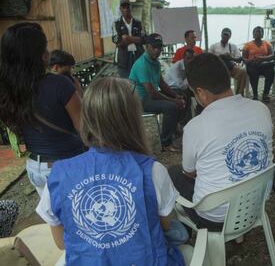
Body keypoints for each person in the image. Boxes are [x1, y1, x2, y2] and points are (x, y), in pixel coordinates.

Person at [35, 78, 185, 265]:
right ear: (133, 120)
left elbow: (61, 242)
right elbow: (163, 225)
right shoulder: (153, 170)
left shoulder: (59, 174)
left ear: (87, 118)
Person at [168, 53, 273, 230]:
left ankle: (187, 236)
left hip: (214, 218)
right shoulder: (261, 109)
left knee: (175, 173)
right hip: (256, 204)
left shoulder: (196, 126)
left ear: (200, 92)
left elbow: (190, 173)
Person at [0, 23, 84, 196]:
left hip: (34, 168)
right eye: (45, 47)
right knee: (76, 218)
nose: (48, 52)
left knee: (54, 219)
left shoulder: (7, 90)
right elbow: (85, 128)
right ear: (39, 55)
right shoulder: (59, 84)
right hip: (64, 166)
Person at [129, 33, 186, 152]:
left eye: (159, 47)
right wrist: (173, 100)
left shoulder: (155, 62)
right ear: (147, 46)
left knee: (182, 96)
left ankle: (175, 130)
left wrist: (176, 95)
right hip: (139, 100)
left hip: (150, 96)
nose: (157, 50)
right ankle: (166, 142)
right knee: (171, 106)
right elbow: (152, 93)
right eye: (154, 47)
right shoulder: (142, 64)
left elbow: (162, 84)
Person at [112, 0, 145, 78]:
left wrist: (127, 38)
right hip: (123, 58)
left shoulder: (139, 22)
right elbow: (117, 41)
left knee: (139, 80)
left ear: (131, 7)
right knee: (125, 82)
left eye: (128, 7)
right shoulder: (116, 23)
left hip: (138, 55)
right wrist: (136, 39)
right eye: (124, 7)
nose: (126, 9)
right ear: (120, 9)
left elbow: (144, 39)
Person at [210, 28, 247, 96]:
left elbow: (239, 59)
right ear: (221, 35)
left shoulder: (233, 46)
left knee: (242, 71)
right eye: (224, 34)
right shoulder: (214, 46)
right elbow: (209, 59)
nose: (225, 36)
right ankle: (219, 95)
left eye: (227, 35)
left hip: (230, 68)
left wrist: (230, 58)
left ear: (230, 36)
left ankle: (239, 95)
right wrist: (220, 56)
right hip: (218, 68)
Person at [243, 26, 275, 102]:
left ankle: (266, 94)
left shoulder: (267, 43)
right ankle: (255, 94)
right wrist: (251, 60)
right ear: (253, 34)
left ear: (262, 34)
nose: (258, 33)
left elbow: (272, 55)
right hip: (253, 65)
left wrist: (262, 58)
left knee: (271, 72)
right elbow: (244, 58)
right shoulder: (247, 45)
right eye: (256, 32)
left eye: (260, 32)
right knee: (253, 73)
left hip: (264, 64)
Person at [164, 48, 195, 125]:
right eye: (188, 58)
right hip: (170, 88)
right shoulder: (176, 68)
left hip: (180, 87)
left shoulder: (191, 66)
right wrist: (189, 75)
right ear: (183, 58)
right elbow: (181, 86)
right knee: (185, 96)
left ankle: (192, 119)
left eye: (192, 59)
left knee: (199, 93)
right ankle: (182, 121)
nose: (190, 61)